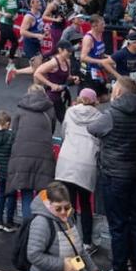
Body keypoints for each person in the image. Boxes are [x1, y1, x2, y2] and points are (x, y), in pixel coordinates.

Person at [87, 76, 136, 271]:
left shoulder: (112, 114)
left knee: (118, 226)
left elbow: (93, 128)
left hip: (114, 175)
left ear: (118, 93)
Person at [27, 182, 102, 271]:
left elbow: (79, 249)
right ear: (49, 205)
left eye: (67, 207)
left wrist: (92, 269)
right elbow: (33, 255)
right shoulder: (41, 223)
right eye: (58, 209)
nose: (63, 212)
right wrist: (62, 264)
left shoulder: (69, 217)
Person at [54, 88, 101, 256]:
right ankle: (87, 242)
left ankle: (70, 239)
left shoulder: (70, 112)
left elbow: (63, 133)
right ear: (95, 101)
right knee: (86, 204)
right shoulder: (99, 117)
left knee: (69, 203)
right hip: (87, 163)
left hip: (67, 160)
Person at [6, 84, 56, 218]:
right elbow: (51, 129)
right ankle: (41, 225)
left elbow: (14, 131)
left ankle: (27, 227)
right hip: (44, 154)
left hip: (22, 154)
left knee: (26, 193)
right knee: (43, 195)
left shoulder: (21, 108)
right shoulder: (49, 109)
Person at [33, 40, 78, 123]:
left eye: (71, 51)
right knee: (53, 120)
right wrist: (51, 84)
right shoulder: (53, 62)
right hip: (51, 95)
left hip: (61, 93)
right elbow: (37, 73)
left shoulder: (67, 61)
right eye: (68, 51)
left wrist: (73, 78)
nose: (70, 53)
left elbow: (67, 76)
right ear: (60, 50)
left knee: (64, 120)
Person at [79, 15, 117, 101]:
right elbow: (83, 57)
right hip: (89, 72)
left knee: (104, 97)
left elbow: (99, 52)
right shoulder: (88, 38)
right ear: (94, 26)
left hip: (99, 70)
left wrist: (108, 58)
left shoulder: (100, 34)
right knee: (90, 98)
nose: (104, 26)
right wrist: (101, 61)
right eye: (102, 24)